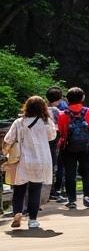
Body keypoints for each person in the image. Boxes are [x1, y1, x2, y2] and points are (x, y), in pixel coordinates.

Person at [5, 96, 57, 229]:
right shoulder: (46, 122)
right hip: (40, 160)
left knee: (19, 189)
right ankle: (32, 220)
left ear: (26, 107)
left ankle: (17, 212)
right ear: (43, 107)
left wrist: (5, 153)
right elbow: (52, 137)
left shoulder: (19, 122)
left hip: (22, 161)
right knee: (35, 190)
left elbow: (8, 139)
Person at [56, 87, 89, 208]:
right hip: (86, 147)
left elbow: (61, 132)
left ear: (67, 99)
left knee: (69, 173)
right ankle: (87, 196)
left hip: (68, 148)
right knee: (87, 171)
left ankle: (71, 200)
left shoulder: (62, 114)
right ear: (82, 98)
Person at [45, 86, 66, 202]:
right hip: (54, 142)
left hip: (42, 143)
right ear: (59, 99)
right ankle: (53, 191)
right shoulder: (56, 111)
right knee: (54, 167)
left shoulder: (42, 109)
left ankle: (45, 191)